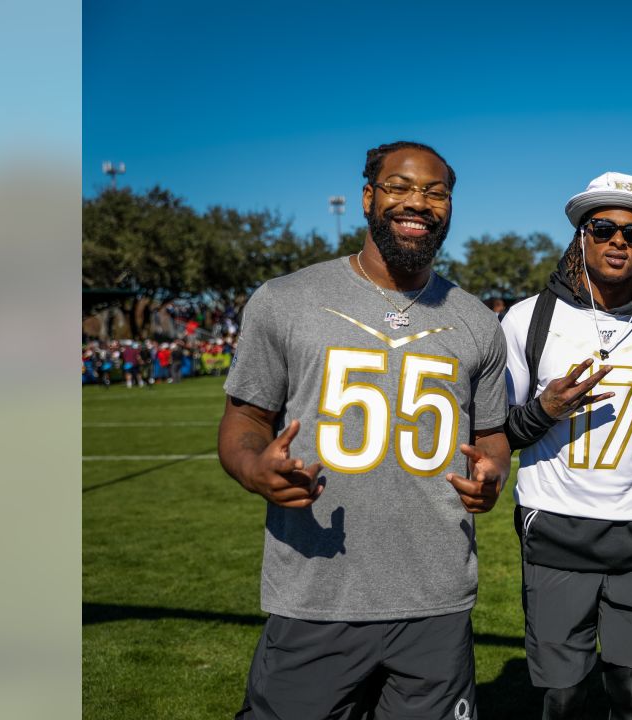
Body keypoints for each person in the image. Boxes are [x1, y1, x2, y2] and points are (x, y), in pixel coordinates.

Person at [217, 140, 511, 719]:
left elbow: (493, 434)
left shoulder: (478, 321)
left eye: (435, 192)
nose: (418, 202)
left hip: (437, 597)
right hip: (315, 594)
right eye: (400, 187)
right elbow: (245, 419)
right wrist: (255, 469)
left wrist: (493, 471)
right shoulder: (285, 300)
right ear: (368, 197)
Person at [500, 172, 632, 720]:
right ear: (580, 236)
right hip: (555, 532)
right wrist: (546, 409)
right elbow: (497, 436)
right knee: (562, 696)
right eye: (604, 227)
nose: (619, 241)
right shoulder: (527, 320)